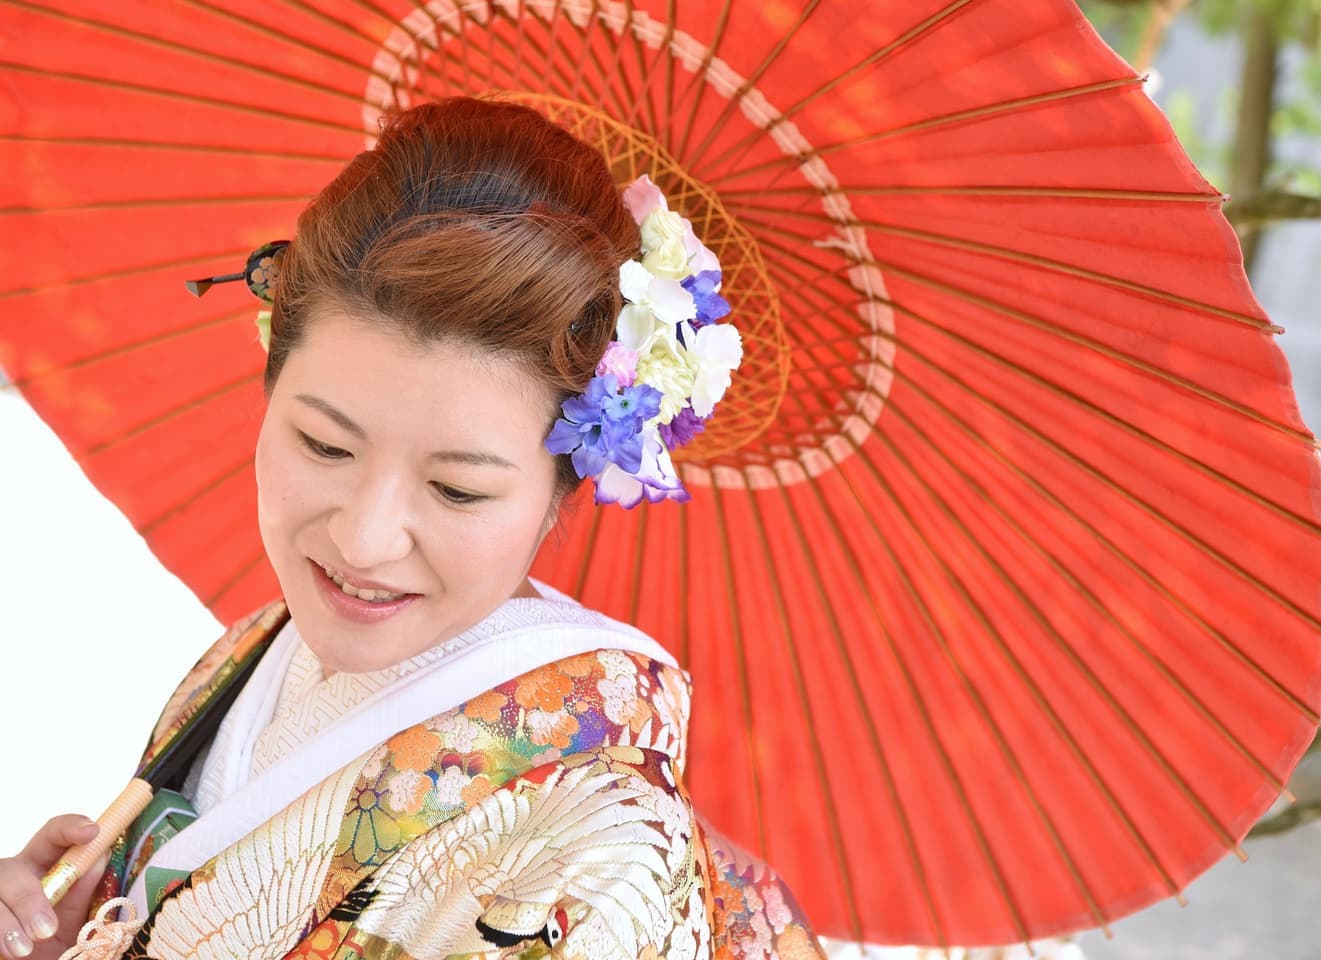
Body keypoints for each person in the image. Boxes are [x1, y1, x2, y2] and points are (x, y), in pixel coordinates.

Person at [0, 98, 823, 960]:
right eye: (323, 443)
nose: (363, 541)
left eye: (457, 490)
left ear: (559, 486)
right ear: (270, 378)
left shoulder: (600, 848)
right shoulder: (256, 655)